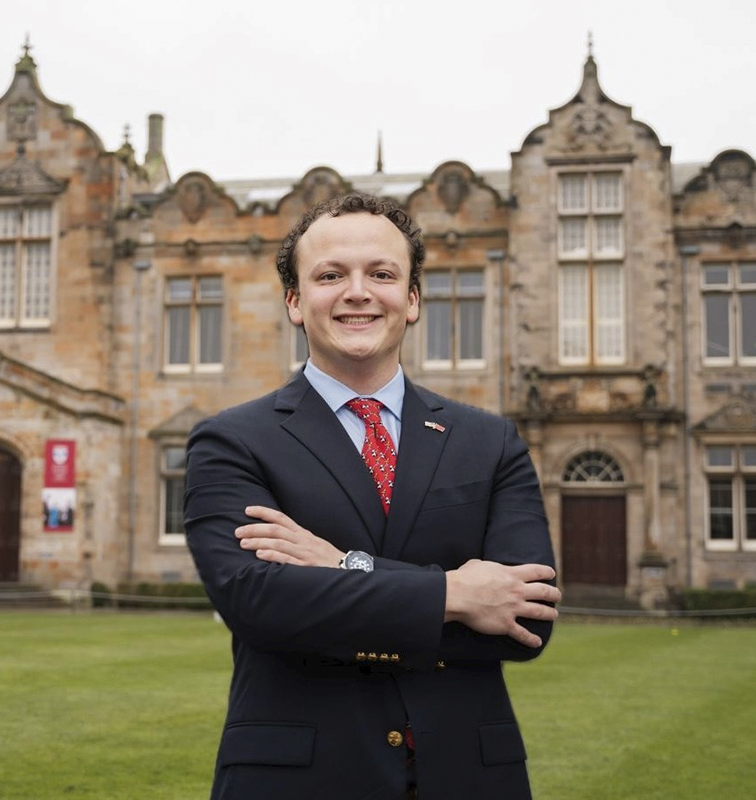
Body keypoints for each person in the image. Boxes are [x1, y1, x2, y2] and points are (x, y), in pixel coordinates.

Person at [184, 193, 561, 799]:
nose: (357, 292)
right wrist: (458, 593)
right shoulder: (232, 440)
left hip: (470, 777)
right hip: (300, 780)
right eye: (330, 276)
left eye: (381, 275)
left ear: (412, 301)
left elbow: (525, 619)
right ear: (294, 302)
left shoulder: (489, 441)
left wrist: (341, 567)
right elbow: (258, 601)